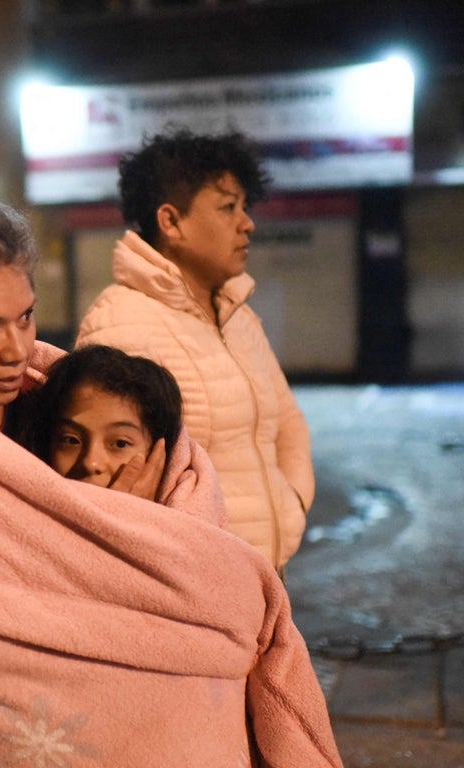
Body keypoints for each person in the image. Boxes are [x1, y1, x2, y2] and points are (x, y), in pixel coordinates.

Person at [0, 167, 341, 767]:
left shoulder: (51, 396)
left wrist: (151, 533)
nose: (16, 348)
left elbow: (174, 497)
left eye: (25, 317)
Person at [76, 127, 314, 573]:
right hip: (193, 587)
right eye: (228, 208)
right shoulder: (119, 325)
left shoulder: (240, 317)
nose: (248, 223)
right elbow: (108, 482)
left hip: (266, 576)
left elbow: (289, 426)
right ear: (171, 222)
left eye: (245, 207)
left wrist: (293, 505)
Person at [6, 343, 184, 493]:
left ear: (158, 454)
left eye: (120, 444)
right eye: (71, 440)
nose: (90, 463)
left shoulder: (193, 529)